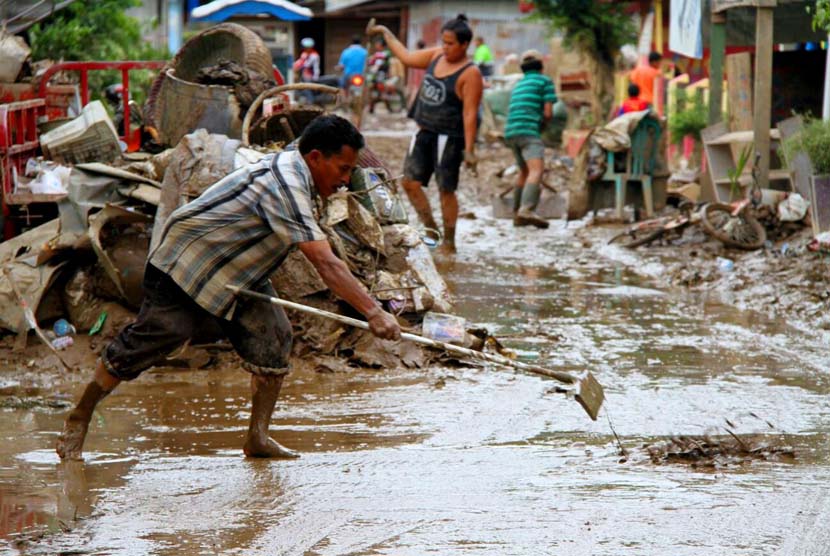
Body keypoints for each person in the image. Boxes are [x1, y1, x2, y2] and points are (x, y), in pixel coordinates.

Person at [56, 115, 402, 462]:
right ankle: (79, 417)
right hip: (186, 261)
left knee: (275, 338)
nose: (345, 180)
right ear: (315, 157)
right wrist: (372, 311)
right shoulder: (285, 185)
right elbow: (325, 263)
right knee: (160, 334)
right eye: (342, 169)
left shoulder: (302, 174)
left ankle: (258, 438)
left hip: (237, 273)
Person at [369, 15, 483, 254]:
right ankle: (431, 230)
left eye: (451, 43)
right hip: (424, 130)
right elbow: (407, 57)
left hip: (450, 137)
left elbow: (470, 114)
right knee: (409, 183)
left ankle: (450, 243)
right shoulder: (435, 56)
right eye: (444, 42)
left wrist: (470, 151)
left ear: (464, 45)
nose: (445, 47)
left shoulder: (470, 73)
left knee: (445, 189)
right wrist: (385, 33)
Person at [504, 49, 556, 229]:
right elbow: (548, 113)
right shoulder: (545, 81)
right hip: (528, 131)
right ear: (542, 67)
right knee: (536, 170)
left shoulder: (519, 84)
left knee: (524, 171)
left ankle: (517, 214)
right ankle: (527, 209)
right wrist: (543, 127)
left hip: (511, 132)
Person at [293, 37, 321, 103]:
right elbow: (301, 61)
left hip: (312, 76)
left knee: (307, 89)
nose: (304, 48)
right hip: (305, 75)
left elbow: (307, 65)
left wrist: (298, 66)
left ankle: (311, 101)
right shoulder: (304, 54)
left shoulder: (314, 55)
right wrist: (295, 64)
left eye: (306, 47)